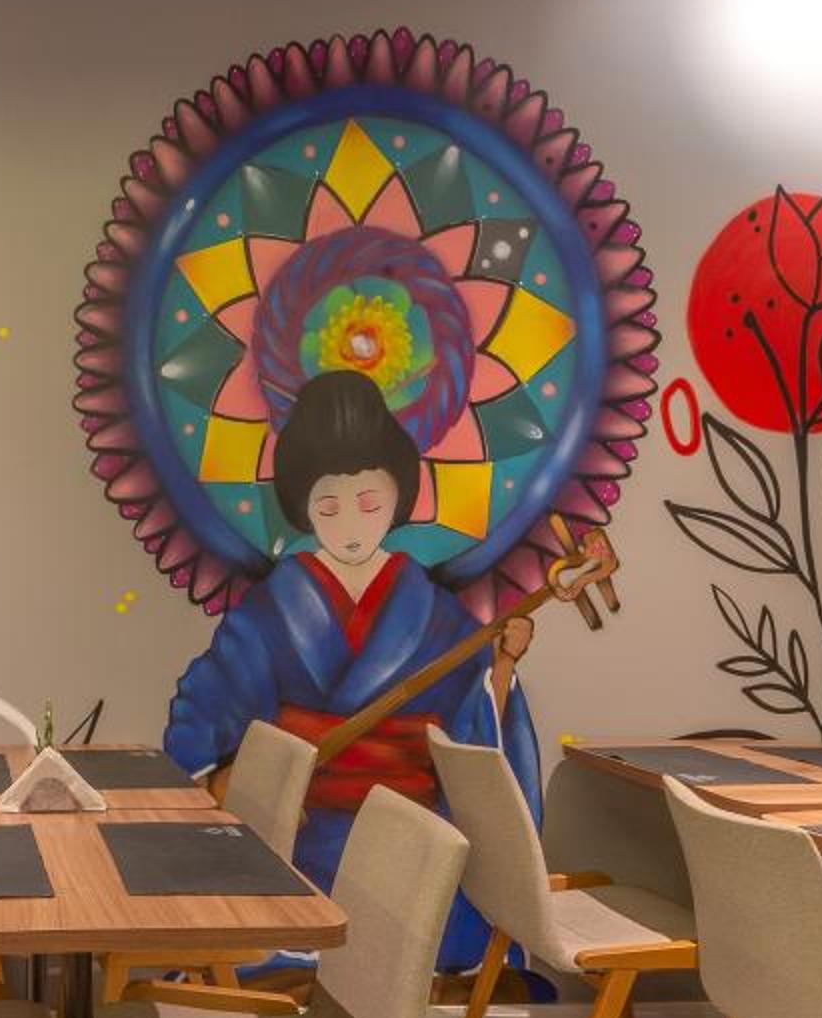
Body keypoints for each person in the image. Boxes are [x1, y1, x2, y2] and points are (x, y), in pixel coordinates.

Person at [164, 369, 542, 975]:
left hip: (409, 833)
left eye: (368, 504)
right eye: (328, 507)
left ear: (397, 499)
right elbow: (207, 703)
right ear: (304, 509)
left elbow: (475, 727)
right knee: (268, 907)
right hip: (301, 830)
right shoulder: (274, 607)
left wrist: (502, 665)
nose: (349, 525)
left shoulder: (435, 613)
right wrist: (224, 778)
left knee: (431, 908)